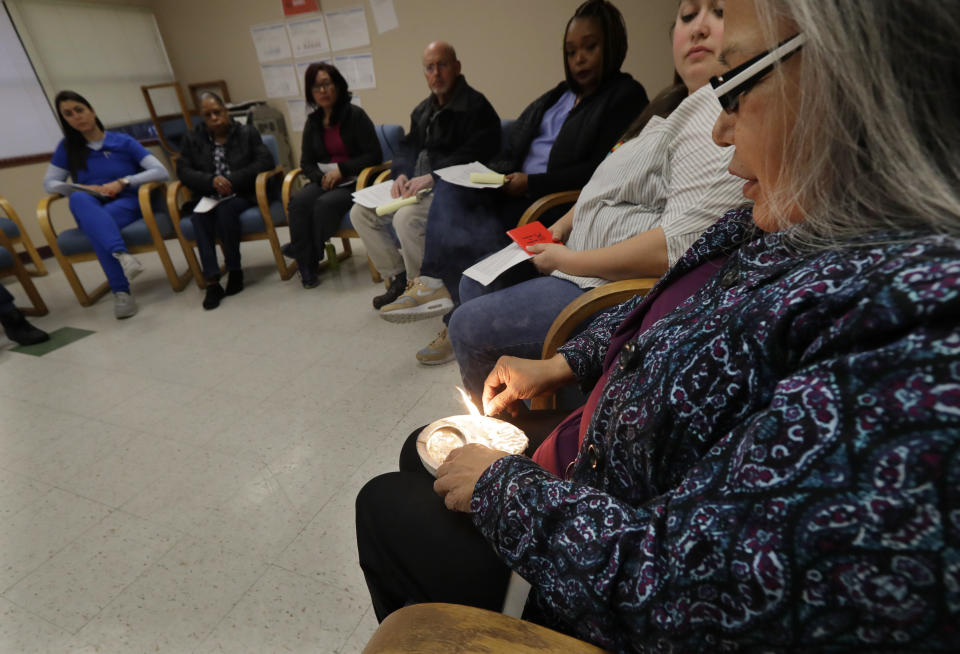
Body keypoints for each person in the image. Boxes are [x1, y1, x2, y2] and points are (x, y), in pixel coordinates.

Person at [355, 0, 960, 650]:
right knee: (421, 448)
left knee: (384, 506)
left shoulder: (916, 341)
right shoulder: (789, 221)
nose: (722, 136)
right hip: (587, 467)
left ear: (858, 78)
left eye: (736, 84)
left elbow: (703, 590)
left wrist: (506, 489)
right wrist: (568, 362)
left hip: (594, 555)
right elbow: (665, 306)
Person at [449, 0, 746, 401]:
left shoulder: (721, 114)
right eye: (688, 16)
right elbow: (606, 183)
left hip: (603, 288)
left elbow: (680, 247)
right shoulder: (670, 104)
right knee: (472, 281)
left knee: (467, 326)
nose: (698, 29)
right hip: (575, 256)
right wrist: (562, 225)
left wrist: (565, 260)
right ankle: (530, 404)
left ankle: (507, 440)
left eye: (719, 13)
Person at [381, 0, 651, 367]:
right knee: (452, 184)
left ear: (613, 45)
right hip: (514, 187)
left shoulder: (625, 95)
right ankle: (435, 284)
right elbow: (512, 144)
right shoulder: (560, 94)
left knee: (471, 226)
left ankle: (451, 312)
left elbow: (603, 171)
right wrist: (495, 175)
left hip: (551, 201)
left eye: (591, 47)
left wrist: (530, 183)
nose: (580, 59)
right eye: (571, 51)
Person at [349, 41, 500, 311]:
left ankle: (425, 289)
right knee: (360, 213)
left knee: (406, 219)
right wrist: (400, 175)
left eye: (442, 65)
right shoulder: (422, 110)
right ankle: (397, 280)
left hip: (451, 191)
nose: (436, 73)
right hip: (415, 189)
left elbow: (478, 153)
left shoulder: (476, 107)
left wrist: (434, 176)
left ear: (457, 67)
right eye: (429, 67)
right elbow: (408, 148)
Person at [43, 90, 169, 319]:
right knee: (79, 199)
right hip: (89, 204)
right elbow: (49, 184)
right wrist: (84, 188)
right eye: (68, 114)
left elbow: (161, 171)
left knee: (97, 228)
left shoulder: (123, 142)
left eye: (79, 110)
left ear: (91, 110)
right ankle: (122, 254)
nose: (76, 117)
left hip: (126, 202)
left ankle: (121, 291)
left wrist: (124, 182)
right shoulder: (67, 148)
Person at [286, 63, 382, 289]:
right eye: (316, 86)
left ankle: (304, 257)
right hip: (325, 181)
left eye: (327, 84)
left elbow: (374, 155)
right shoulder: (313, 122)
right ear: (310, 92)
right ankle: (306, 260)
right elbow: (306, 162)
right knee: (298, 202)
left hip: (354, 182)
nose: (322, 91)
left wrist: (343, 169)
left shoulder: (355, 115)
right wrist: (321, 178)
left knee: (323, 204)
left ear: (337, 86)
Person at [176, 92, 274, 309]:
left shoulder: (246, 133)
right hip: (209, 194)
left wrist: (231, 180)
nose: (214, 118)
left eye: (217, 112)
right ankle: (212, 282)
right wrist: (211, 181)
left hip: (241, 192)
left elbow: (265, 161)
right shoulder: (193, 139)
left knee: (225, 211)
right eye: (207, 114)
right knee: (199, 217)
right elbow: (183, 170)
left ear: (226, 111)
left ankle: (234, 269)